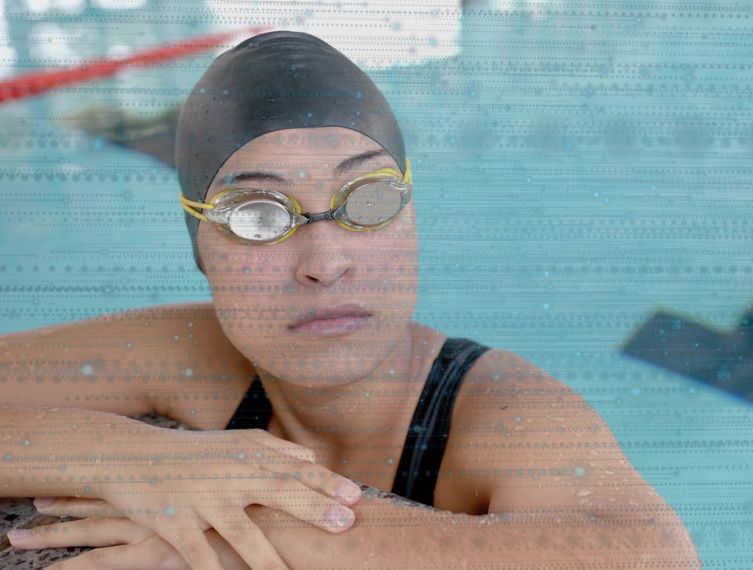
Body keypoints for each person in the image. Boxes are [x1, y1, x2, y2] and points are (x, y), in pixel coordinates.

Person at [0, 30, 700, 570]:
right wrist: (133, 457)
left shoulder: (497, 411)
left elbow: (656, 556)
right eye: (258, 216)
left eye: (367, 199)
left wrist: (270, 525)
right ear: (200, 249)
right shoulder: (192, 352)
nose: (326, 264)